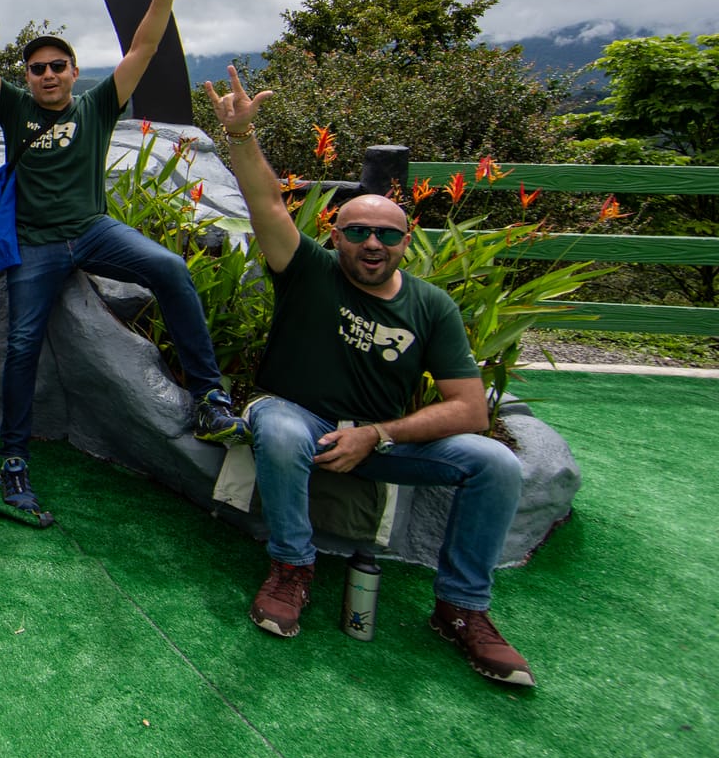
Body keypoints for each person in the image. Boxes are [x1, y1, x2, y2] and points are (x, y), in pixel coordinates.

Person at [206, 67, 534, 685]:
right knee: (276, 430)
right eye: (358, 232)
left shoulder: (431, 306)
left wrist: (377, 436)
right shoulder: (308, 270)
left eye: (387, 234)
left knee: (496, 462)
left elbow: (468, 410)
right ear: (336, 235)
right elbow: (267, 203)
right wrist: (242, 135)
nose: (372, 244)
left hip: (381, 442)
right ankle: (291, 569)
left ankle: (462, 608)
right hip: (299, 420)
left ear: (407, 241)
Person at [0, 0, 248, 517]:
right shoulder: (17, 108)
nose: (47, 75)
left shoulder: (97, 106)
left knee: (171, 269)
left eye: (57, 66)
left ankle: (209, 397)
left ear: (75, 71)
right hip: (36, 244)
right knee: (23, 343)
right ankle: (18, 458)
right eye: (36, 68)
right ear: (26, 77)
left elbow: (145, 48)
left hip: (95, 231)